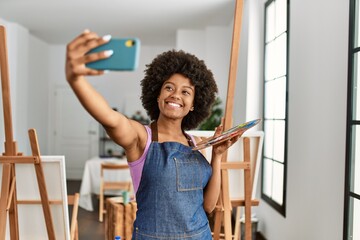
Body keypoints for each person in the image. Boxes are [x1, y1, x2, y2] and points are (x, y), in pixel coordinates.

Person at [65, 30, 241, 240]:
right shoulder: (141, 138)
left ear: (194, 104)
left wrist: (218, 156)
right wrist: (76, 79)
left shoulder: (198, 143)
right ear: (157, 95)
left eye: (186, 92)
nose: (175, 94)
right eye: (169, 87)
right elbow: (109, 118)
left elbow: (208, 205)